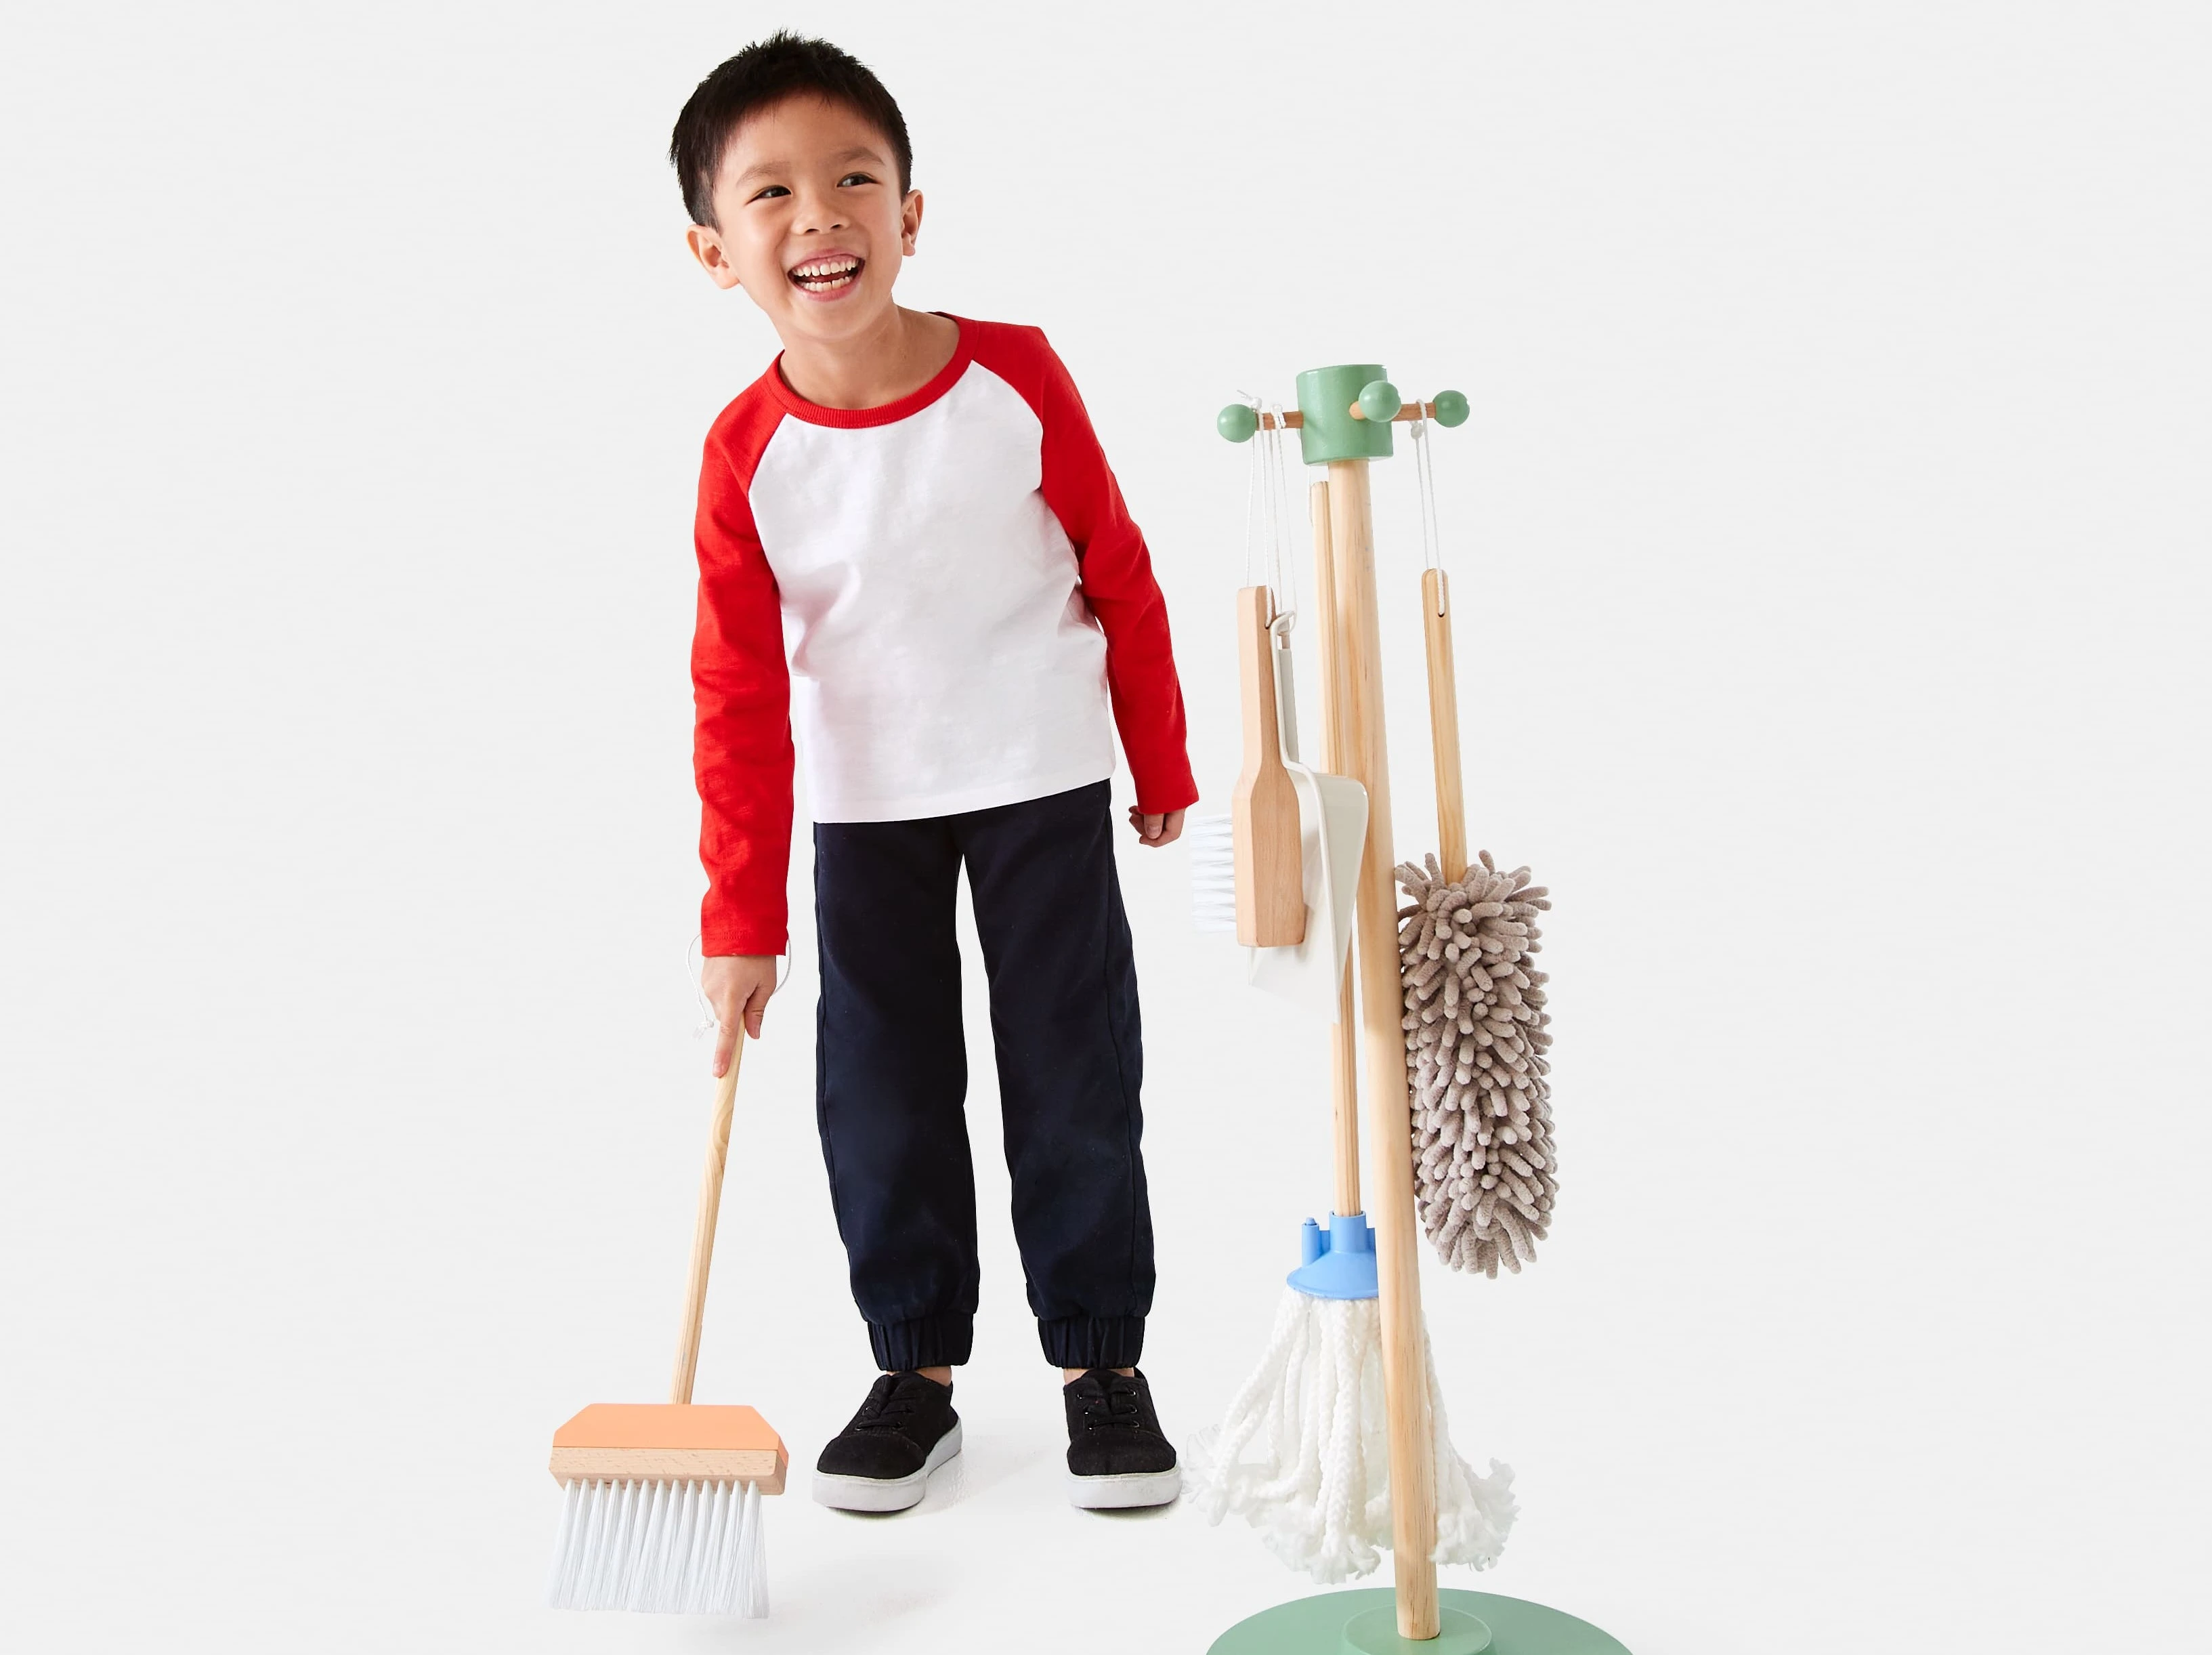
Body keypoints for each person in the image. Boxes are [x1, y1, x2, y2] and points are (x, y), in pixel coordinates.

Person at [670, 33, 1196, 1513]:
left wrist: (1161, 757)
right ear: (717, 252)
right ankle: (916, 1371)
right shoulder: (744, 455)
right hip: (864, 806)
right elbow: (734, 699)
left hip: (1039, 772)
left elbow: (1119, 569)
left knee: (1071, 1069)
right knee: (882, 1091)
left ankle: (1103, 1365)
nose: (819, 216)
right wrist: (739, 923)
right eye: (771, 194)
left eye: (855, 180)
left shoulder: (1015, 376)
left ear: (912, 214)